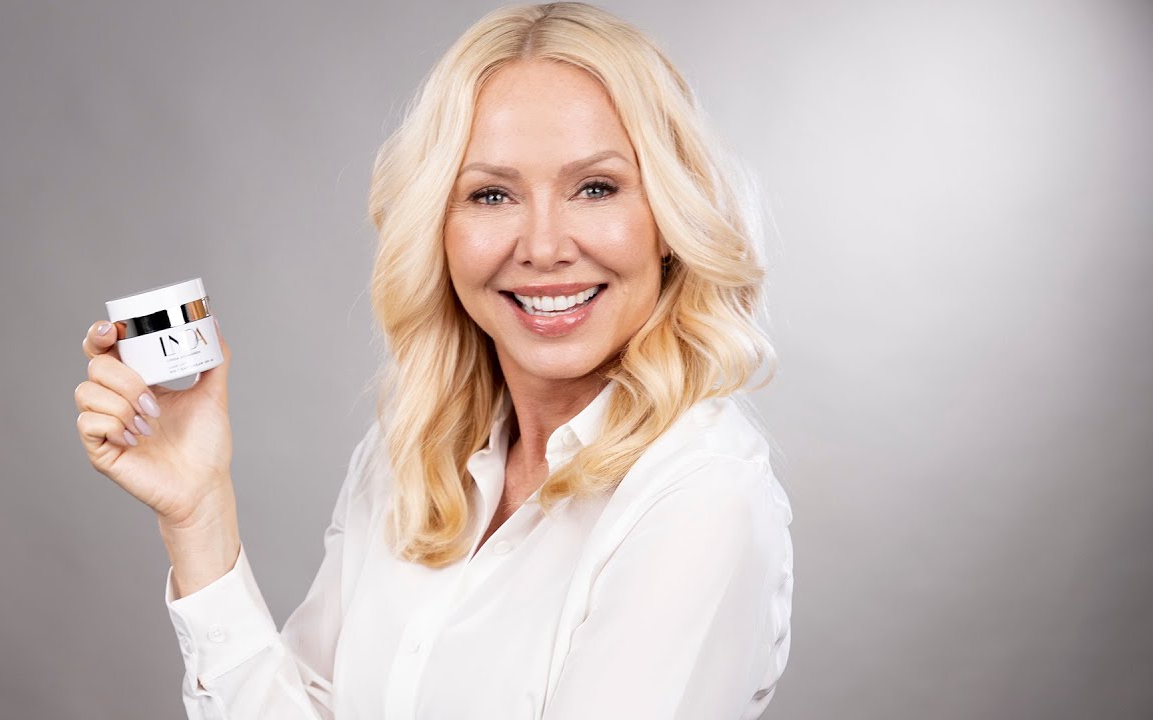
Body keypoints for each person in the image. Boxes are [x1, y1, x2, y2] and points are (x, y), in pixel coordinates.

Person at [73, 2, 794, 718]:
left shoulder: (703, 498)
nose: (544, 247)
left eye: (595, 188)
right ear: (437, 231)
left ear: (668, 218)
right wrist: (199, 516)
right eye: (491, 194)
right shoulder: (406, 460)